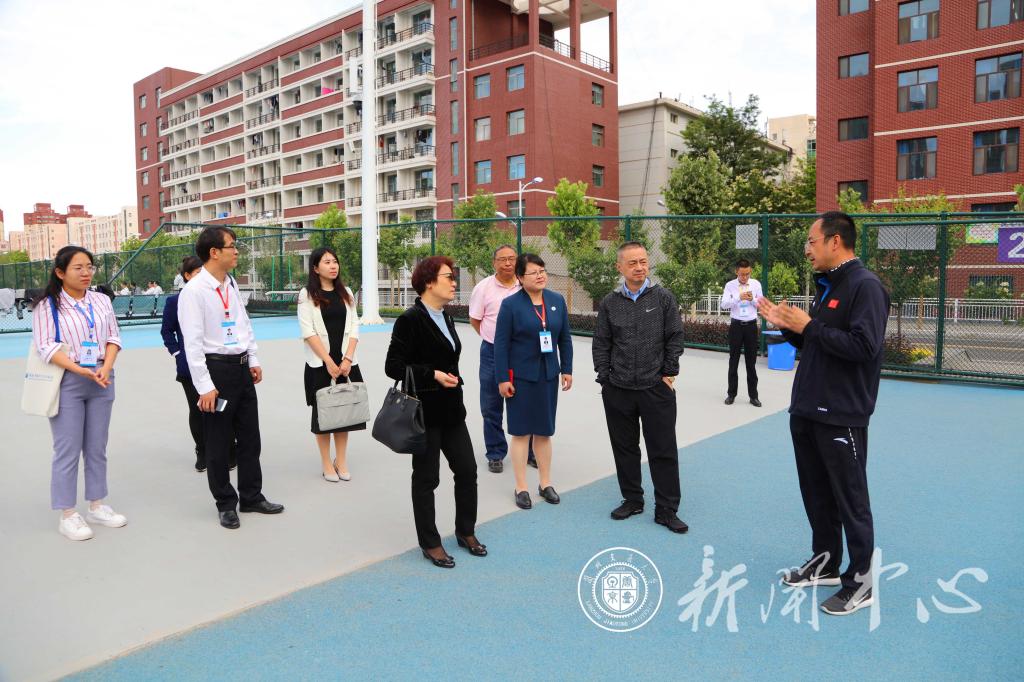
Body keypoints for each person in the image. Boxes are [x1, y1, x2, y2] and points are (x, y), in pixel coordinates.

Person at [757, 211, 890, 616]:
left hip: (841, 413)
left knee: (851, 500)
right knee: (816, 492)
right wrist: (790, 327)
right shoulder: (829, 284)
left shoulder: (865, 286)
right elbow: (819, 341)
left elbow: (864, 347)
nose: (806, 249)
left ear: (835, 241)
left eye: (811, 241)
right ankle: (826, 563)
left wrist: (809, 326)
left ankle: (861, 583)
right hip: (808, 409)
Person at [177, 226, 284, 529]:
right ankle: (225, 503)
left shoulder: (231, 284)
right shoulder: (194, 292)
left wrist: (253, 358)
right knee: (219, 440)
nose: (236, 251)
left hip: (241, 369)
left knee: (250, 436)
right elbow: (192, 344)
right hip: (217, 371)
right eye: (231, 246)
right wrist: (205, 386)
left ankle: (251, 496)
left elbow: (242, 324)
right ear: (214, 252)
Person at [384, 256, 486, 568]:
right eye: (448, 277)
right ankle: (430, 542)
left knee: (467, 470)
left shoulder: (447, 317)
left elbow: (449, 357)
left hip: (452, 411)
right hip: (424, 414)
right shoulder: (410, 320)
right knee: (427, 478)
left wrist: (450, 376)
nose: (454, 282)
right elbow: (393, 366)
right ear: (429, 282)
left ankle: (465, 531)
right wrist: (433, 375)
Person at [31, 245, 127, 541]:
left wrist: (106, 367)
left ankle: (96, 505)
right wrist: (79, 369)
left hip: (102, 379)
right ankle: (68, 514)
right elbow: (46, 346)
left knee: (97, 446)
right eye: (78, 267)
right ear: (60, 273)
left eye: (89, 266)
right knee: (68, 449)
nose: (86, 273)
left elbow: (113, 337)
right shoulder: (48, 305)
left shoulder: (101, 300)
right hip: (68, 381)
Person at [593, 242, 688, 534]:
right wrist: (605, 378)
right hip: (618, 389)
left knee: (663, 450)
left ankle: (667, 509)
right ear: (619, 267)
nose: (639, 267)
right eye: (632, 263)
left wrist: (668, 374)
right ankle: (633, 499)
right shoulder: (609, 303)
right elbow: (602, 342)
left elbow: (675, 337)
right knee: (625, 448)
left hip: (655, 388)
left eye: (643, 261)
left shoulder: (663, 298)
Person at [493, 254, 572, 510]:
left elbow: (565, 339)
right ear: (520, 277)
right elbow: (501, 345)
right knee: (521, 432)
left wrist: (567, 369)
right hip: (521, 378)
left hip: (548, 376)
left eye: (542, 270)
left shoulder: (556, 300)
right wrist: (502, 378)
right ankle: (521, 487)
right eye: (534, 272)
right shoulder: (510, 305)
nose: (540, 276)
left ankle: (545, 483)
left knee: (544, 431)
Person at [161, 256, 237, 473]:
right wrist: (178, 353)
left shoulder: (220, 295)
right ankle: (202, 450)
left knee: (222, 407)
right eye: (197, 272)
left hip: (220, 363)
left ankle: (229, 448)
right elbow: (167, 331)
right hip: (190, 367)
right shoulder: (175, 301)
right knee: (198, 409)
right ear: (186, 276)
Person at [298, 247, 363, 482]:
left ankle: (341, 461)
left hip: (347, 363)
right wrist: (328, 362)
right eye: (327, 262)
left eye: (335, 261)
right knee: (323, 415)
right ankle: (327, 462)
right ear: (315, 268)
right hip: (320, 364)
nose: (333, 265)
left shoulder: (347, 292)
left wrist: (347, 359)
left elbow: (354, 326)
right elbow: (308, 332)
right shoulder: (306, 295)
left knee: (344, 413)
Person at [468, 244, 535, 473]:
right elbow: (475, 320)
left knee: (526, 403)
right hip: (492, 353)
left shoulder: (526, 285)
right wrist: (494, 340)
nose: (508, 263)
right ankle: (495, 452)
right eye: (502, 259)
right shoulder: (483, 288)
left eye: (512, 258)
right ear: (494, 263)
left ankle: (530, 451)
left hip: (524, 353)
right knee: (491, 405)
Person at [720, 258, 764, 407]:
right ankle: (731, 394)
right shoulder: (730, 285)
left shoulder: (756, 284)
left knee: (751, 363)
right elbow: (724, 304)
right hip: (736, 326)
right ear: (736, 272)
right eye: (742, 274)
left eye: (747, 274)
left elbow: (761, 304)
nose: (745, 277)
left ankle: (754, 396)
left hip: (751, 326)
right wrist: (738, 298)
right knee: (733, 361)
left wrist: (752, 300)